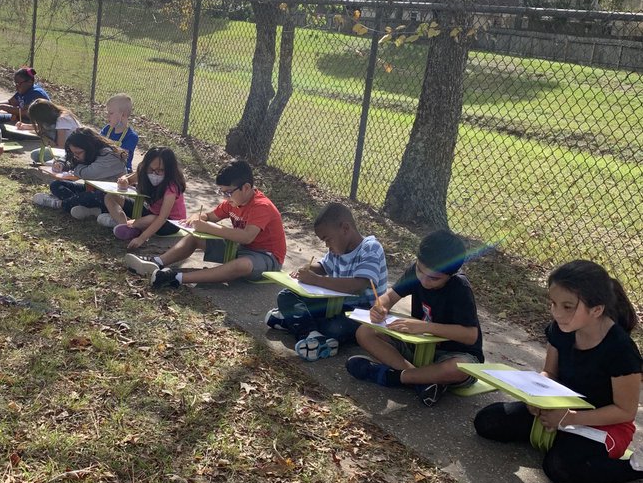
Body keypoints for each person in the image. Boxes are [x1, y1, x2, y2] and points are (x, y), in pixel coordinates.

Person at [474, 261, 642, 483]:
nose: (557, 312)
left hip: (604, 425)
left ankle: (635, 466)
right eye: (553, 303)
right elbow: (550, 372)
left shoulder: (621, 351)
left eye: (567, 306)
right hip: (557, 410)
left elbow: (625, 412)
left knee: (561, 468)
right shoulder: (561, 329)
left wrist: (570, 418)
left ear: (596, 310)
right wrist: (535, 397)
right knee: (487, 421)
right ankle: (562, 440)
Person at [346, 229, 483, 407]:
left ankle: (393, 376)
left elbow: (470, 335)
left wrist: (425, 326)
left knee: (458, 368)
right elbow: (390, 296)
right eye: (419, 270)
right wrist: (380, 307)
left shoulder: (460, 287)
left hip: (453, 354)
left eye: (434, 279)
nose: (424, 281)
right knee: (365, 332)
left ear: (451, 275)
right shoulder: (416, 271)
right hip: (417, 347)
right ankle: (424, 382)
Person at [125, 160, 285, 290]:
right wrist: (197, 217)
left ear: (246, 188)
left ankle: (176, 278)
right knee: (194, 238)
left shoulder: (262, 206)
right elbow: (209, 216)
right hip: (240, 249)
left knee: (241, 265)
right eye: (222, 192)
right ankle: (157, 262)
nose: (225, 197)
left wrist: (207, 227)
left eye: (228, 193)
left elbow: (247, 237)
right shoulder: (233, 201)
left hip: (267, 257)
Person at [265, 203, 388, 361]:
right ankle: (312, 334)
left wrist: (316, 280)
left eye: (327, 239)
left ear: (345, 228)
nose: (326, 245)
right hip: (333, 305)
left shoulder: (370, 248)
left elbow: (357, 285)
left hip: (362, 313)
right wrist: (306, 270)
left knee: (334, 329)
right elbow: (323, 266)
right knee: (286, 295)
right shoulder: (338, 250)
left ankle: (295, 322)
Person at [99, 147, 187, 248]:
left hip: (170, 223)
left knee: (152, 218)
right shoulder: (144, 172)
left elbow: (162, 217)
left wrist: (142, 239)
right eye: (151, 169)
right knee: (110, 197)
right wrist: (124, 181)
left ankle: (129, 225)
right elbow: (127, 178)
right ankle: (125, 226)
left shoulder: (171, 187)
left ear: (169, 169)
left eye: (160, 170)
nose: (154, 174)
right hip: (151, 212)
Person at [32, 127, 127, 216]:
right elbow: (70, 158)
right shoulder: (89, 153)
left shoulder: (111, 156)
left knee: (89, 197)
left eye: (78, 153)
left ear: (89, 147)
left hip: (110, 196)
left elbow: (88, 173)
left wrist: (73, 166)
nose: (75, 156)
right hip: (91, 189)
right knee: (56, 185)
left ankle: (59, 203)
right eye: (73, 153)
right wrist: (61, 163)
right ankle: (84, 207)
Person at [101, 93, 138, 173]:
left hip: (121, 170)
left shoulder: (131, 136)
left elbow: (121, 156)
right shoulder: (106, 129)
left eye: (111, 113)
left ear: (123, 115)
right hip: (104, 165)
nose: (107, 116)